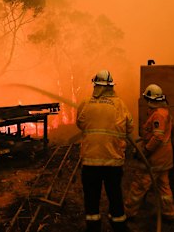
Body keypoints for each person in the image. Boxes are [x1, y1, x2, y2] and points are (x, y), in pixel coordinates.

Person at [76, 69, 134, 232]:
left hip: (90, 161)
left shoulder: (86, 103)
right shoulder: (120, 105)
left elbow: (80, 123)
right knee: (115, 194)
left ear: (95, 85)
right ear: (111, 87)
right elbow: (130, 127)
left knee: (91, 197)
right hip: (112, 161)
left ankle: (93, 227)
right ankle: (119, 225)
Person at [124, 83, 174, 221]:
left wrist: (145, 151)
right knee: (164, 187)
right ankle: (168, 213)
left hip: (154, 160)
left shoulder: (158, 115)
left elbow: (157, 137)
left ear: (150, 100)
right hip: (165, 159)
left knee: (139, 186)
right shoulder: (165, 112)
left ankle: (129, 214)